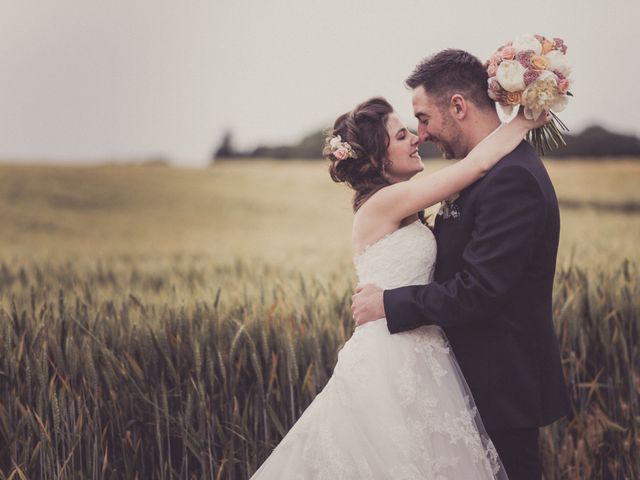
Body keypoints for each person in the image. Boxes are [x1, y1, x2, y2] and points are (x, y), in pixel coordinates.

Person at [250, 93, 549, 479]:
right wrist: (522, 121)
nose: (416, 139)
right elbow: (476, 165)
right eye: (402, 135)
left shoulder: (401, 206)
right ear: (377, 158)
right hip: (389, 357)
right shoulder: (385, 202)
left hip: (421, 349)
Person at [352, 49, 571, 480]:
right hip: (451, 388)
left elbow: (481, 289)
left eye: (423, 118)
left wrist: (388, 303)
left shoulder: (512, 179)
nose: (422, 134)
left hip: (500, 391)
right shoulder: (477, 175)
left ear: (457, 106)